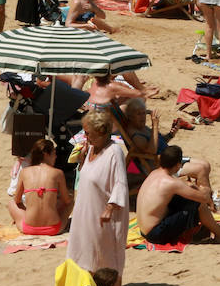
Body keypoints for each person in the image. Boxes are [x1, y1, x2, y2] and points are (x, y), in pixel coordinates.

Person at [68, 111, 130, 275]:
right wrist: (81, 161)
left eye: (88, 133)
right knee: (84, 250)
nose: (85, 136)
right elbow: (87, 177)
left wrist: (109, 208)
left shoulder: (114, 152)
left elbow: (120, 182)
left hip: (102, 213)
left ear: (101, 132)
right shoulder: (90, 149)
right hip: (85, 211)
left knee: (105, 254)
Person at [8, 137, 73, 235]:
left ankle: (30, 217)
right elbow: (67, 201)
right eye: (54, 153)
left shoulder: (24, 172)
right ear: (46, 154)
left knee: (11, 203)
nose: (55, 157)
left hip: (29, 228)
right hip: (54, 228)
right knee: (70, 201)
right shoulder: (58, 173)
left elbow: (17, 200)